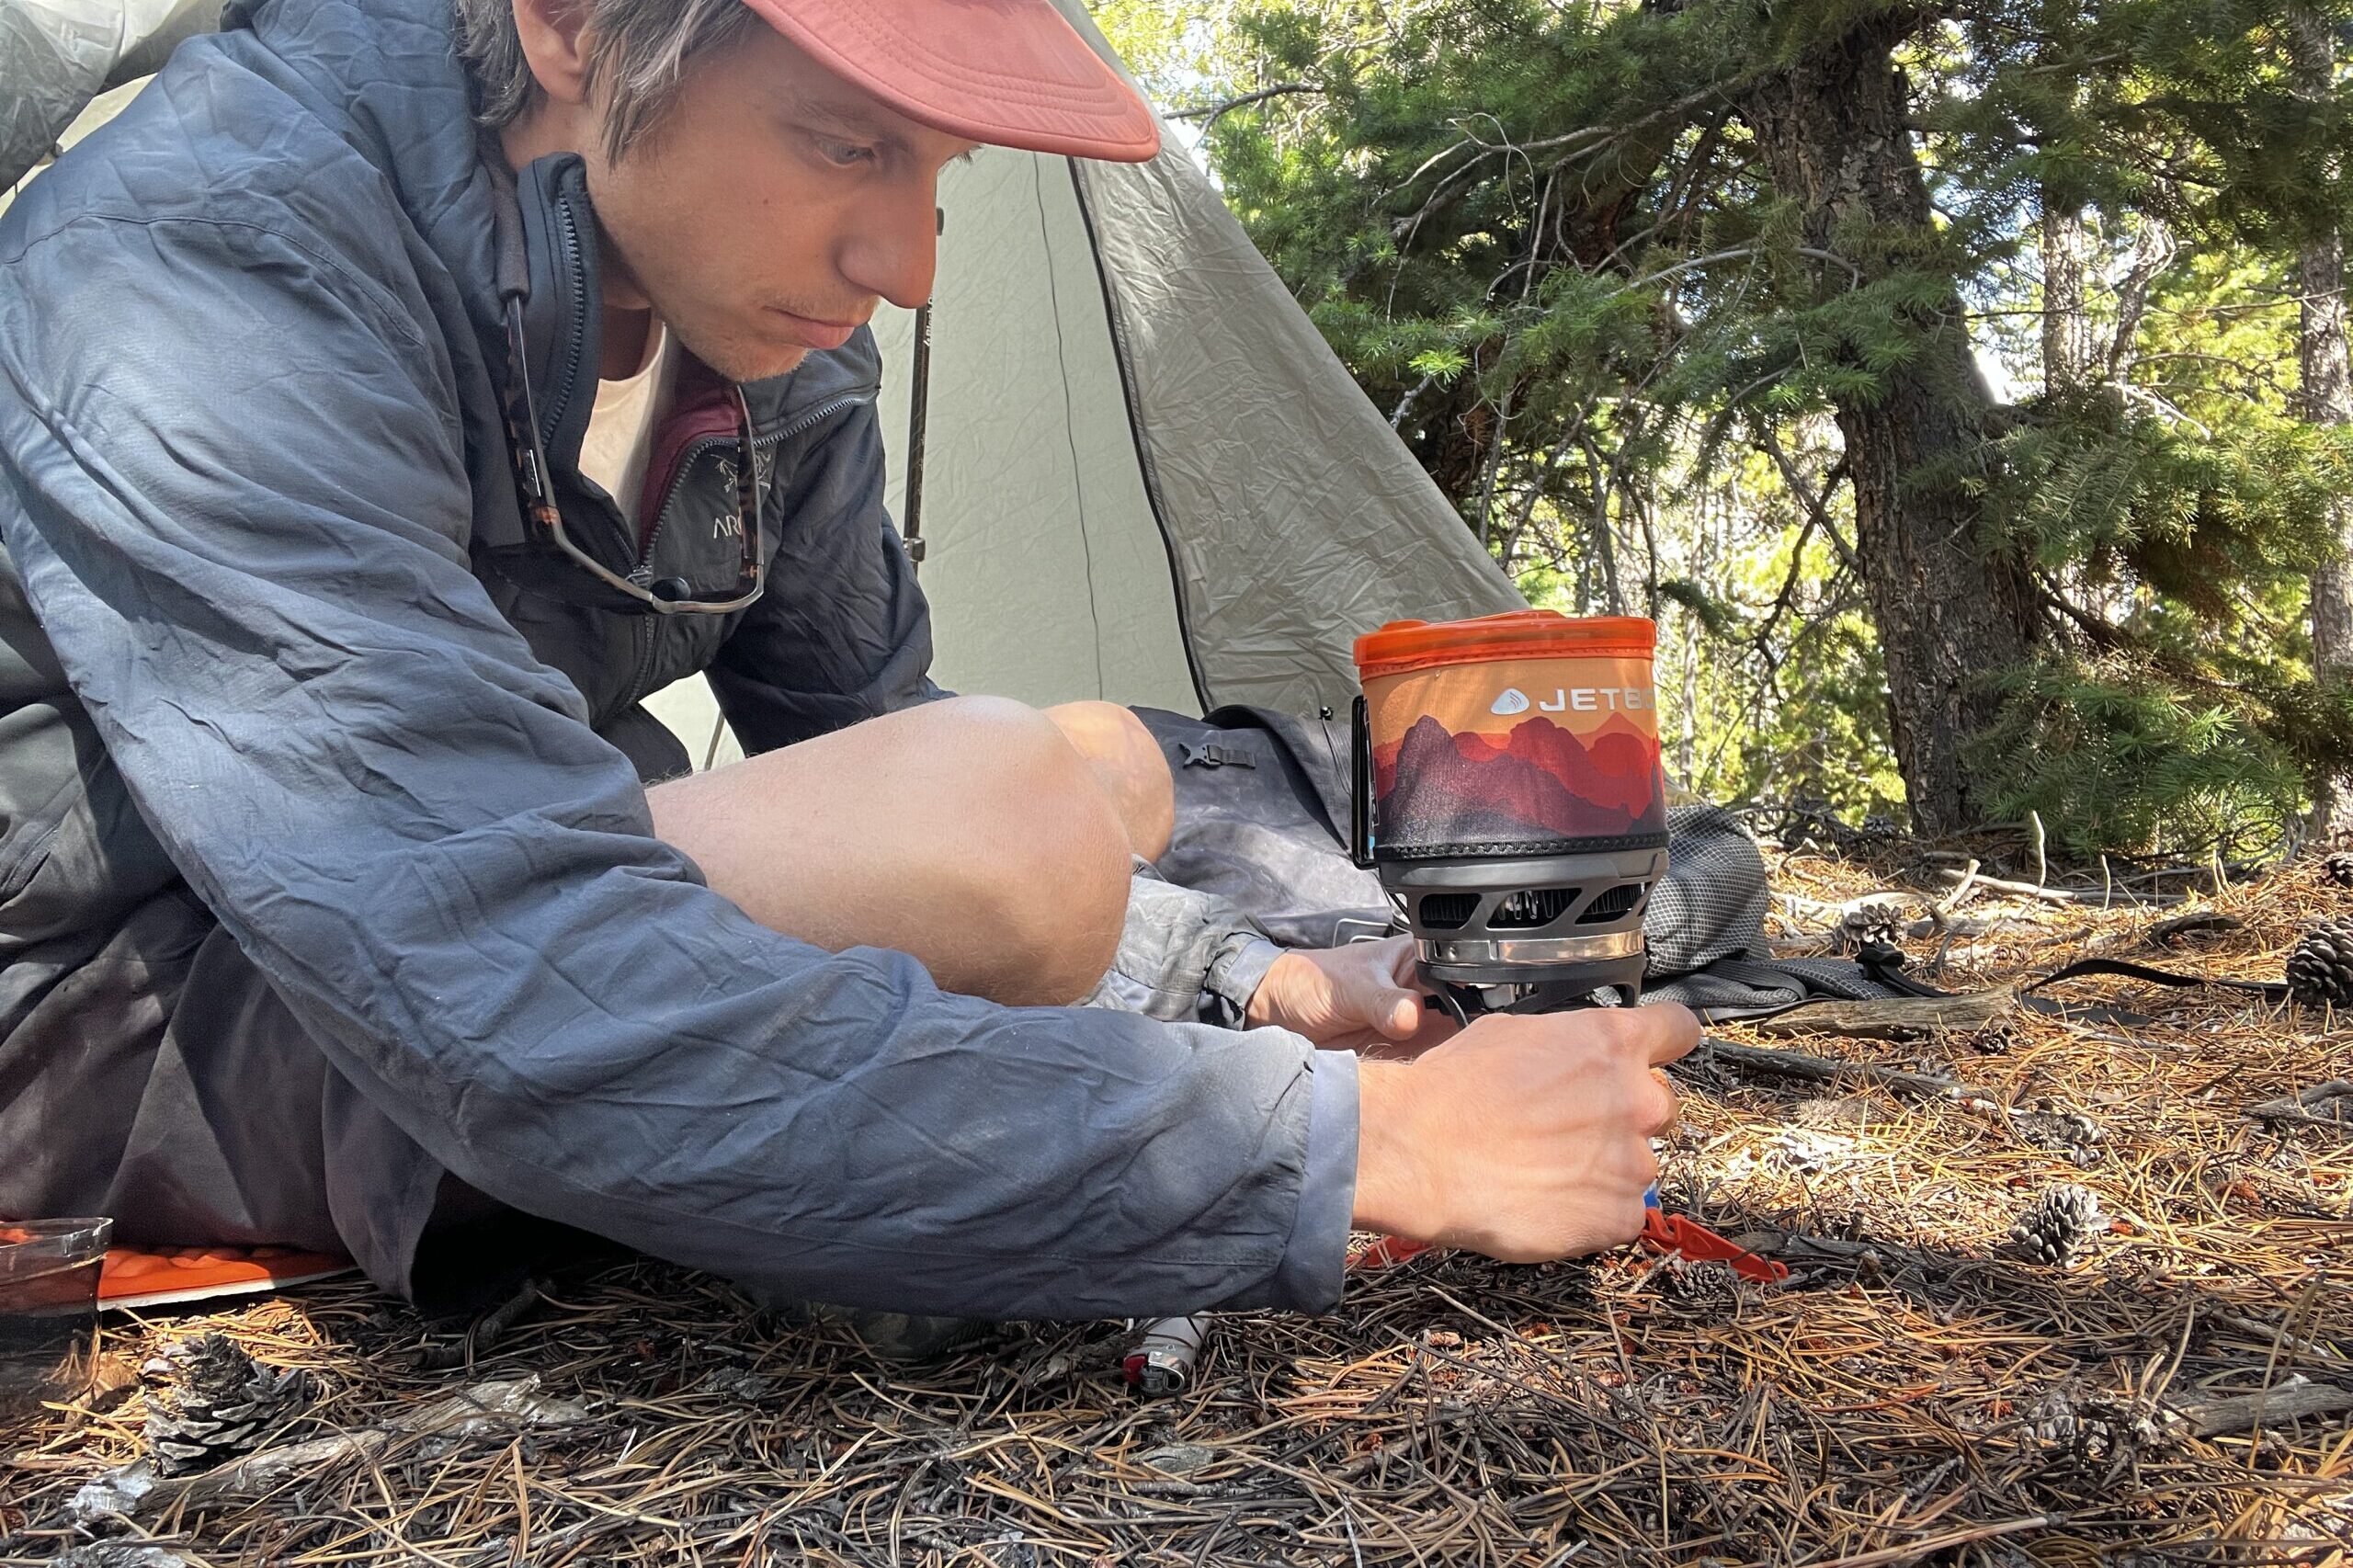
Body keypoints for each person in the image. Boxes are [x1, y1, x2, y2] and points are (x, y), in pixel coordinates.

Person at [0, 0, 1694, 1328]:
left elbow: (876, 736)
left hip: (439, 888)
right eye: (844, 144)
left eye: (939, 171)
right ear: (575, 25)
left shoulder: (761, 340)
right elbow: (516, 978)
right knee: (1016, 815)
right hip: (121, 999)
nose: (909, 263)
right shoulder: (213, 258)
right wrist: (1355, 1147)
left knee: (1081, 772)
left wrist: (1245, 982)